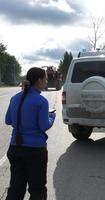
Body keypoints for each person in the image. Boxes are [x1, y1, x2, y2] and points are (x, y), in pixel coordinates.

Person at [5, 67, 56, 200]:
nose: (46, 81)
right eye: (45, 78)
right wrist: (52, 117)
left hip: (15, 147)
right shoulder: (41, 101)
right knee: (37, 189)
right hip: (35, 151)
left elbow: (8, 120)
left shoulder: (15, 98)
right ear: (39, 80)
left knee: (16, 187)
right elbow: (44, 125)